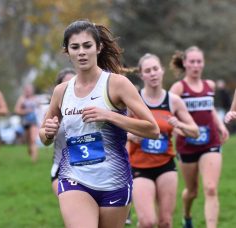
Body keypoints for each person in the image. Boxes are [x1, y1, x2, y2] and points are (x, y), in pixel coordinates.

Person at [39, 20, 160, 228]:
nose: (81, 52)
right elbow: (44, 136)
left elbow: (153, 129)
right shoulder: (61, 91)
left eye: (87, 46)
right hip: (73, 177)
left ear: (98, 47)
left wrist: (110, 116)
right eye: (75, 47)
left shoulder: (117, 84)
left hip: (114, 180)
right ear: (67, 51)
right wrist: (48, 133)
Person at [128, 54, 199, 228]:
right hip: (139, 166)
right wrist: (132, 136)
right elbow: (117, 130)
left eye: (155, 69)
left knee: (165, 222)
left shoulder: (173, 101)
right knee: (147, 222)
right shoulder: (133, 100)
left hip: (165, 165)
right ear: (141, 75)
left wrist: (179, 124)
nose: (152, 74)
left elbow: (195, 132)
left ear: (162, 71)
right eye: (147, 71)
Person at [169, 46, 229, 228]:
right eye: (192, 61)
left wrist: (220, 126)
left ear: (203, 64)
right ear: (185, 63)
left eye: (199, 62)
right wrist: (178, 130)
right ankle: (187, 216)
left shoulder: (209, 85)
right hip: (187, 145)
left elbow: (209, 108)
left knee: (211, 188)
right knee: (192, 191)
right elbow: (168, 113)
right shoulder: (179, 88)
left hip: (210, 142)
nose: (196, 65)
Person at [50, 68, 75, 196]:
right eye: (66, 84)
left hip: (92, 168)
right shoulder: (54, 111)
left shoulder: (91, 106)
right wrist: (49, 132)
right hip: (62, 169)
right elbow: (45, 138)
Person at [14, 84, 40, 162]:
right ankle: (30, 149)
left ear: (32, 90)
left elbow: (40, 110)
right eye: (27, 90)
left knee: (33, 139)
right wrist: (26, 111)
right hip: (25, 122)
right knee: (28, 141)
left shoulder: (36, 99)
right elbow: (17, 110)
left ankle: (34, 160)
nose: (28, 91)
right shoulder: (22, 99)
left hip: (34, 122)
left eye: (29, 89)